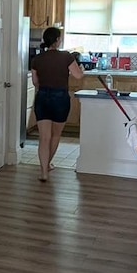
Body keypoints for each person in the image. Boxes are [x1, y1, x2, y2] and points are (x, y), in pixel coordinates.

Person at [30, 27, 84, 181]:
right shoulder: (66, 56)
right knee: (55, 135)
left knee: (44, 137)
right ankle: (47, 165)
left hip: (42, 97)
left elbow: (35, 82)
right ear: (57, 40)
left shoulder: (37, 59)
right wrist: (82, 69)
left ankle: (44, 172)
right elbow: (78, 76)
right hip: (60, 98)